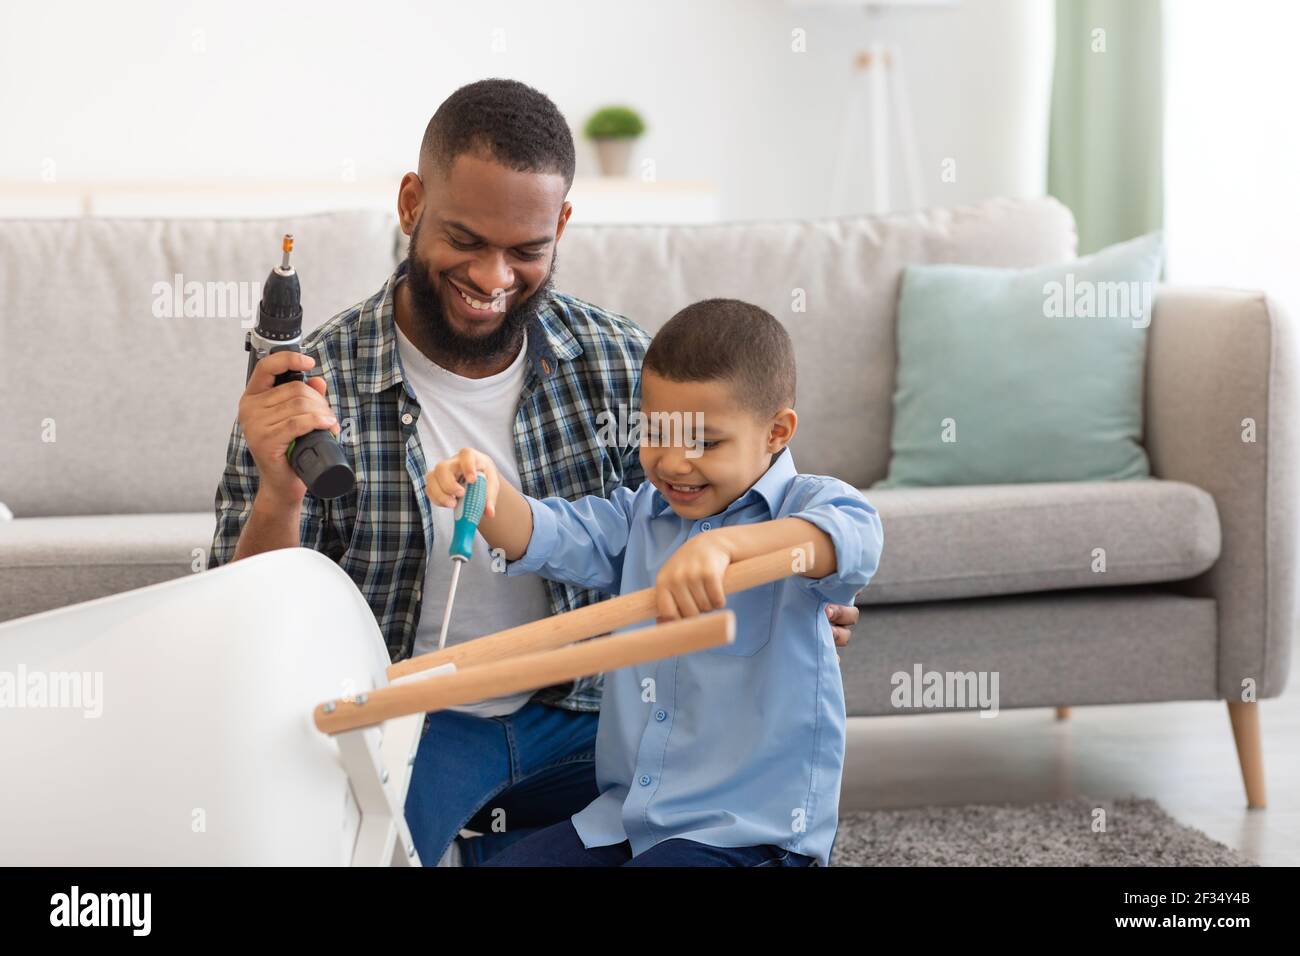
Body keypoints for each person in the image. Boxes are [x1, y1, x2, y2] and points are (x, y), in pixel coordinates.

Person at [209, 79, 862, 867]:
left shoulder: (625, 362)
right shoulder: (317, 388)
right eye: (467, 240)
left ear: (562, 224)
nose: (492, 279)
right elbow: (242, 631)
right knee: (331, 848)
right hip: (429, 724)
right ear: (411, 203)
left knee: (684, 824)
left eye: (526, 250)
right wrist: (280, 492)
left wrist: (780, 577)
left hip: (595, 720)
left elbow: (739, 513)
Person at [427, 299, 884, 866]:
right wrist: (486, 487)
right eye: (657, 434)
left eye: (705, 443)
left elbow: (854, 537)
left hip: (748, 833)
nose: (673, 463)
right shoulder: (643, 515)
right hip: (627, 817)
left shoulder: (809, 505)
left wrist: (725, 546)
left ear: (776, 432)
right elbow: (542, 533)